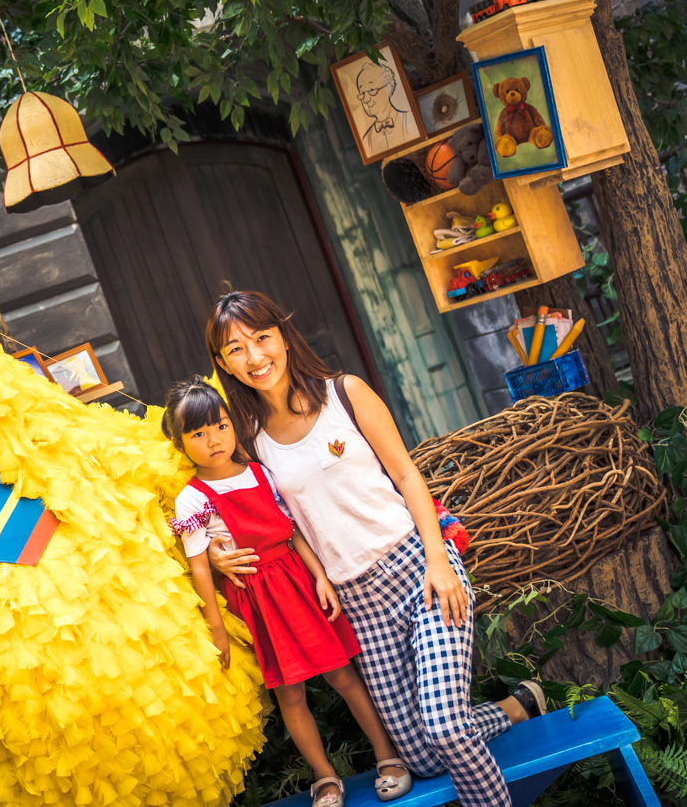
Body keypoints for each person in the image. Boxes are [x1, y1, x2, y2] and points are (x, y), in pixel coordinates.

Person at [203, 289, 545, 807]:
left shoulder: (344, 393)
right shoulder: (247, 436)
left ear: (284, 337)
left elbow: (407, 475)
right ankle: (516, 708)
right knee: (425, 756)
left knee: (447, 728)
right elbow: (228, 506)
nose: (254, 358)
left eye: (261, 338)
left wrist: (438, 560)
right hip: (357, 602)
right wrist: (211, 554)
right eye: (236, 350)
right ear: (222, 363)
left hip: (417, 569)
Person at [162, 378, 411, 807]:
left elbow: (293, 532)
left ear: (232, 425)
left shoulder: (261, 472)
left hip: (297, 584)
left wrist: (319, 576)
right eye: (197, 434)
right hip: (258, 602)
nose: (212, 440)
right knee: (290, 693)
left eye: (219, 426)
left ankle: (389, 757)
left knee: (343, 676)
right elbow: (199, 565)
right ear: (180, 442)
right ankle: (325, 777)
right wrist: (217, 628)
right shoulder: (191, 499)